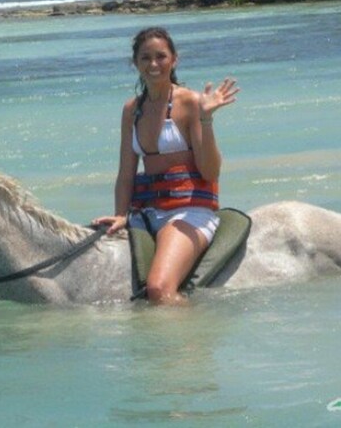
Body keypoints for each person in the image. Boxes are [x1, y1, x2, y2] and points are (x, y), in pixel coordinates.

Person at [93, 27, 239, 305]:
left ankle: (189, 341)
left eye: (161, 56)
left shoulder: (191, 102)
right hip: (145, 212)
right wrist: (121, 214)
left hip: (189, 212)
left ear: (174, 59)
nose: (153, 64)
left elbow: (210, 172)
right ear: (135, 63)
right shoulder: (131, 110)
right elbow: (126, 173)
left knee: (159, 290)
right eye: (145, 58)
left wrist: (206, 120)